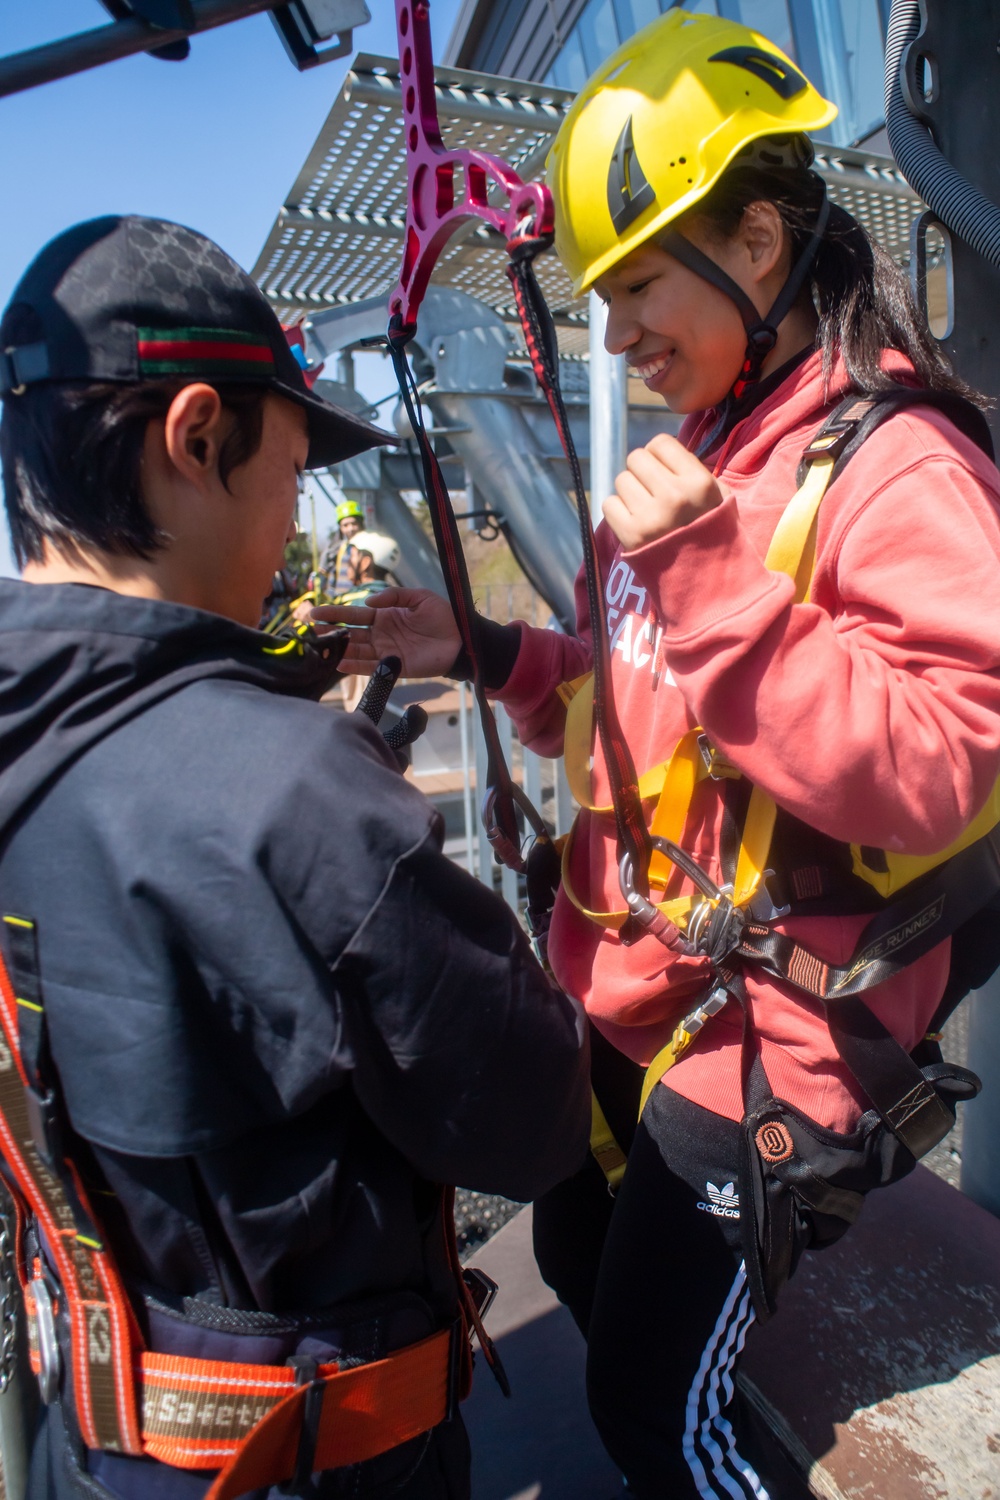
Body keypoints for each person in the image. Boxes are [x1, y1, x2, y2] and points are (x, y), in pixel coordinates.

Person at [322, 10, 1000, 1498]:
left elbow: (956, 759)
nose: (612, 335)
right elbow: (644, 704)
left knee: (651, 1413)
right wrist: (489, 650)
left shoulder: (890, 464)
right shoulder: (719, 455)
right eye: (600, 300)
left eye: (637, 290)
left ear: (759, 243)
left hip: (775, 1029)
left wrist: (702, 574)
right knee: (572, 1235)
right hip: (644, 986)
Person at [0, 215, 590, 1500]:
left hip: (90, 1444)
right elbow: (530, 1119)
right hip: (310, 1458)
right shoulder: (292, 795)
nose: (300, 507)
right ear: (198, 435)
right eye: (295, 457)